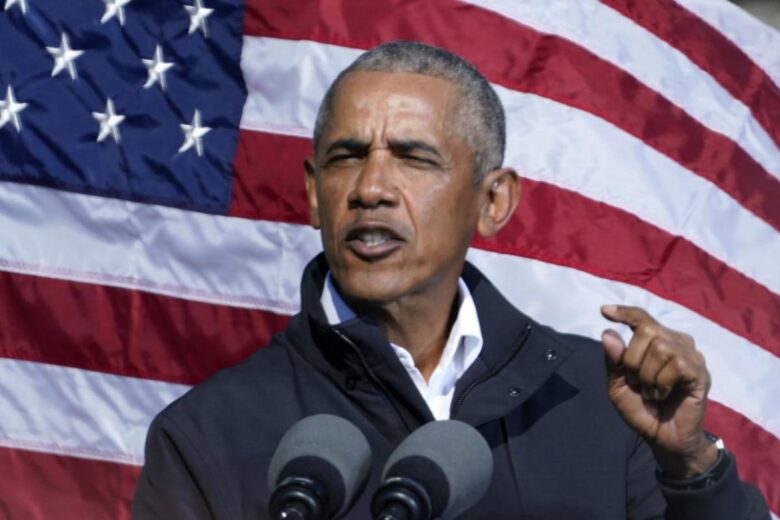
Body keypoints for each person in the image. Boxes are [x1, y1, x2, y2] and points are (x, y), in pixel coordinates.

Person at [132, 41, 769, 519]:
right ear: (315, 194)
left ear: (493, 201)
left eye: (414, 158)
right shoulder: (204, 435)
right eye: (347, 157)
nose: (371, 188)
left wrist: (691, 466)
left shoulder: (602, 402)